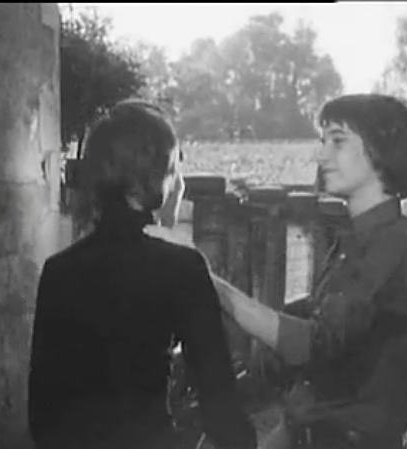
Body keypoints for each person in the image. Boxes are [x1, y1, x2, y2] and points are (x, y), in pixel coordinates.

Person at [145, 93, 407, 448]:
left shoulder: (393, 252)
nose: (321, 155)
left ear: (380, 152)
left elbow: (315, 345)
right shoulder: (356, 243)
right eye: (322, 141)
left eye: (337, 142)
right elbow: (300, 339)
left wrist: (207, 279)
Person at [28, 99, 257, 449]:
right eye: (175, 168)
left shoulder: (58, 269)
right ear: (159, 179)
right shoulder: (181, 267)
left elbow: (42, 412)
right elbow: (221, 406)